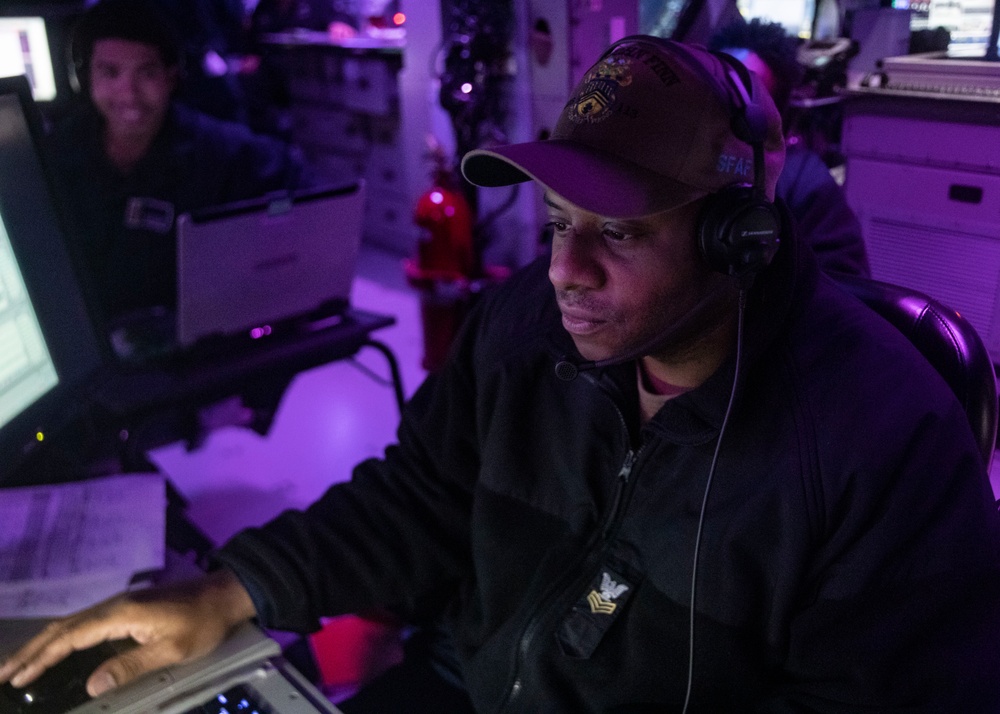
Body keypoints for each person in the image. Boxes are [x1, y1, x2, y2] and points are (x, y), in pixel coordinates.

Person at [5, 35, 1000, 712]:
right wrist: (230, 592)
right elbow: (420, 498)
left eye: (617, 232)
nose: (566, 271)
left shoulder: (884, 440)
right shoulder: (528, 321)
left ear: (739, 235)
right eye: (560, 223)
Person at [47, 0, 312, 332]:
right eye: (110, 72)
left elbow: (303, 189)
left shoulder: (217, 149)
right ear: (84, 79)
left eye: (146, 73)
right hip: (90, 341)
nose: (128, 94)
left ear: (171, 78)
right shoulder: (56, 151)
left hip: (187, 347)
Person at [709, 18, 871, 278]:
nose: (722, 108)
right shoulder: (663, 159)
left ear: (775, 121)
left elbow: (847, 287)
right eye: (715, 89)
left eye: (742, 101)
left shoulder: (805, 182)